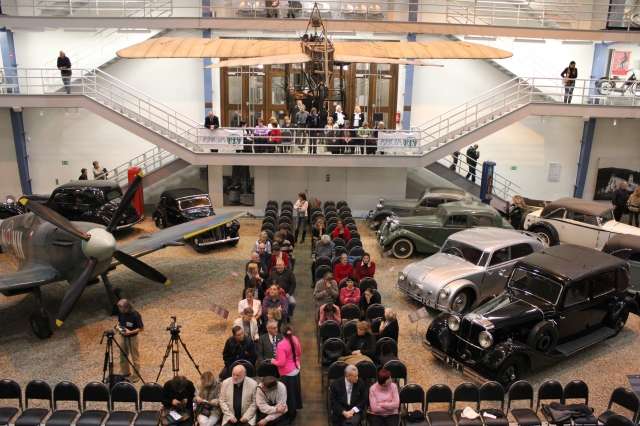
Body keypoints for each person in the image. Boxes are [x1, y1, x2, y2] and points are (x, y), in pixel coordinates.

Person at [271, 325, 303, 421]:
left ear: (282, 334)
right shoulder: (295, 339)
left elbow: (281, 363)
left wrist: (273, 361)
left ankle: (290, 413)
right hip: (296, 369)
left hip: (287, 373)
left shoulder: (281, 345)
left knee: (288, 394)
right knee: (295, 392)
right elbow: (299, 353)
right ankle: (295, 409)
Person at [115, 299, 143, 382]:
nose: (119, 309)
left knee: (135, 357)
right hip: (123, 336)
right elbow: (119, 322)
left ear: (126, 307)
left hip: (133, 338)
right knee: (123, 355)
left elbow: (141, 328)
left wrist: (130, 332)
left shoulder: (135, 315)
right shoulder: (121, 313)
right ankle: (125, 372)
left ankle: (136, 376)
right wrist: (118, 327)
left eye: (121, 307)